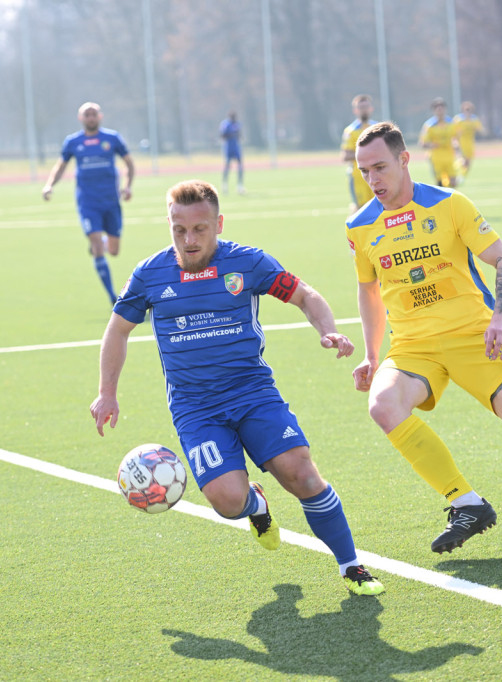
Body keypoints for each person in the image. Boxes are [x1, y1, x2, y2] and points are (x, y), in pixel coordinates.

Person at [91, 179, 385, 596]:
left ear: (219, 224)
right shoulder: (150, 274)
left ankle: (351, 565)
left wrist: (329, 331)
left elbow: (305, 296)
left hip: (252, 392)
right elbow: (117, 331)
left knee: (301, 474)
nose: (189, 240)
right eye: (179, 230)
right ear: (169, 225)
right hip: (196, 409)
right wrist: (107, 392)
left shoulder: (247, 264)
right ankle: (255, 504)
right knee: (229, 502)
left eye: (200, 229)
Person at [347, 122, 502, 554]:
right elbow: (369, 291)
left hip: (475, 335)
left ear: (405, 159)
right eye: (364, 171)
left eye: (380, 167)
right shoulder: (360, 226)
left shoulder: (451, 204)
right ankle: (466, 503)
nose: (373, 180)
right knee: (382, 405)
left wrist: (501, 318)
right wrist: (370, 354)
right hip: (413, 347)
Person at [42, 102, 135, 303]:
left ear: (100, 116)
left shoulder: (112, 138)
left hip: (111, 201)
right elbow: (61, 166)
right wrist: (49, 185)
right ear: (80, 118)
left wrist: (128, 186)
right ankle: (113, 297)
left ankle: (102, 242)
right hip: (88, 203)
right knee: (95, 244)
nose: (90, 117)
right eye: (87, 114)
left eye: (93, 114)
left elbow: (129, 162)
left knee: (114, 251)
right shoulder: (73, 142)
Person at [340, 94, 375, 211]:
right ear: (355, 110)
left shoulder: (377, 127)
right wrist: (366, 153)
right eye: (361, 107)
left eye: (366, 107)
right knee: (361, 210)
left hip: (377, 175)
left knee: (382, 208)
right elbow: (346, 155)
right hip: (358, 177)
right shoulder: (350, 131)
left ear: (371, 108)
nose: (364, 110)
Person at [418, 98, 459, 188]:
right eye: (437, 109)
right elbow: (422, 143)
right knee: (440, 184)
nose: (440, 111)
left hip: (449, 156)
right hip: (436, 158)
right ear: (434, 111)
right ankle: (442, 201)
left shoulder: (451, 123)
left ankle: (451, 200)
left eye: (442, 108)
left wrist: (456, 143)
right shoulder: (429, 125)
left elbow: (456, 137)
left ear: (445, 109)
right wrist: (431, 145)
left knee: (453, 182)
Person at [452, 101, 485, 182]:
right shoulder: (459, 120)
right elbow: (453, 132)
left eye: (469, 110)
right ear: (463, 110)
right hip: (461, 142)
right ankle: (454, 168)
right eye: (466, 109)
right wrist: (454, 141)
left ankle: (462, 175)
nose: (467, 111)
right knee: (464, 160)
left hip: (470, 143)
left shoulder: (474, 119)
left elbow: (480, 129)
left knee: (468, 162)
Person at [219, 111, 245, 195]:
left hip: (236, 148)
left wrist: (239, 136)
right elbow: (222, 136)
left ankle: (240, 186)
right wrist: (231, 134)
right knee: (227, 166)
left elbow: (239, 134)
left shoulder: (237, 124)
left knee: (240, 166)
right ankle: (225, 185)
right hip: (228, 148)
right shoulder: (225, 124)